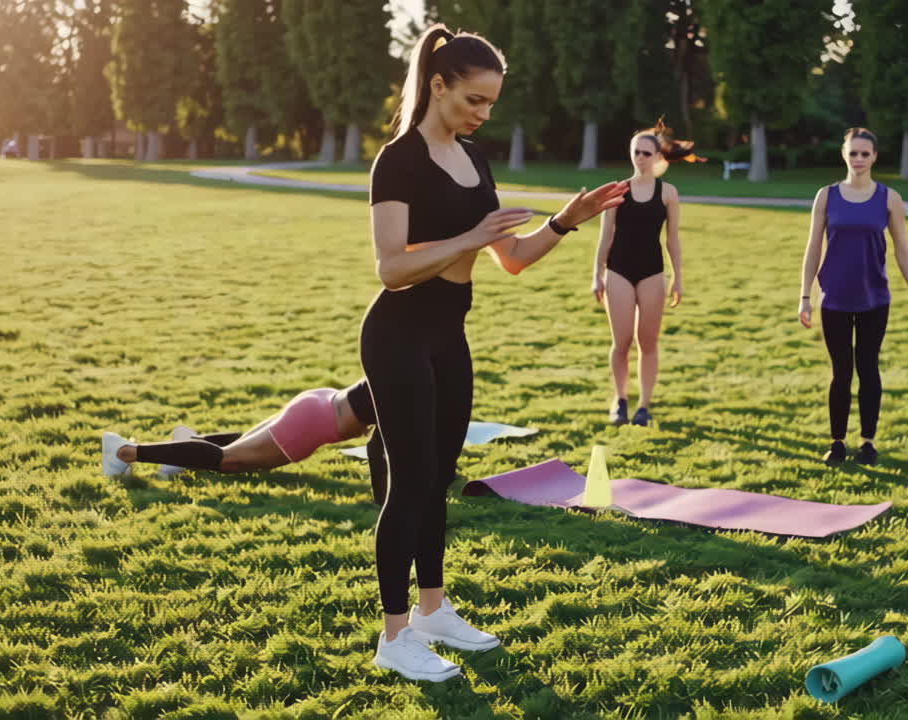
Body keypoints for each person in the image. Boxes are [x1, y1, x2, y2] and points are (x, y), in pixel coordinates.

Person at [363, 25, 627, 682]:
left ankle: (432, 610)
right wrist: (469, 235)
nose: (483, 114)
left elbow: (509, 259)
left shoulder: (473, 159)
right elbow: (391, 268)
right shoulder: (397, 160)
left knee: (438, 479)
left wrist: (567, 221)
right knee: (406, 484)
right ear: (439, 85)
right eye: (474, 100)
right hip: (397, 334)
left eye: (490, 105)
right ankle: (394, 636)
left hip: (450, 334)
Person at [798, 128, 908, 467]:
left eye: (864, 154)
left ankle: (868, 443)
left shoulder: (889, 198)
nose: (858, 159)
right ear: (844, 154)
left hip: (875, 299)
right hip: (834, 298)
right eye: (853, 153)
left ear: (874, 157)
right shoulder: (826, 196)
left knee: (868, 369)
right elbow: (814, 247)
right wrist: (805, 296)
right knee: (841, 372)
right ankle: (837, 442)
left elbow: (903, 250)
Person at [101, 379, 390, 501]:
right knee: (231, 461)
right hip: (317, 421)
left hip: (322, 400)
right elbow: (380, 448)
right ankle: (126, 452)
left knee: (249, 446)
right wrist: (383, 501)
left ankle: (190, 442)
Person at [592, 119, 694, 426]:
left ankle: (644, 407)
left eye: (647, 153)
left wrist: (678, 277)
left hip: (652, 272)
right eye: (636, 152)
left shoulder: (668, 193)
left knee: (647, 342)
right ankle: (620, 400)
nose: (640, 158)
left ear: (658, 157)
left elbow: (672, 239)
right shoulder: (618, 191)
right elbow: (605, 235)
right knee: (621, 341)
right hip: (619, 271)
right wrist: (597, 274)